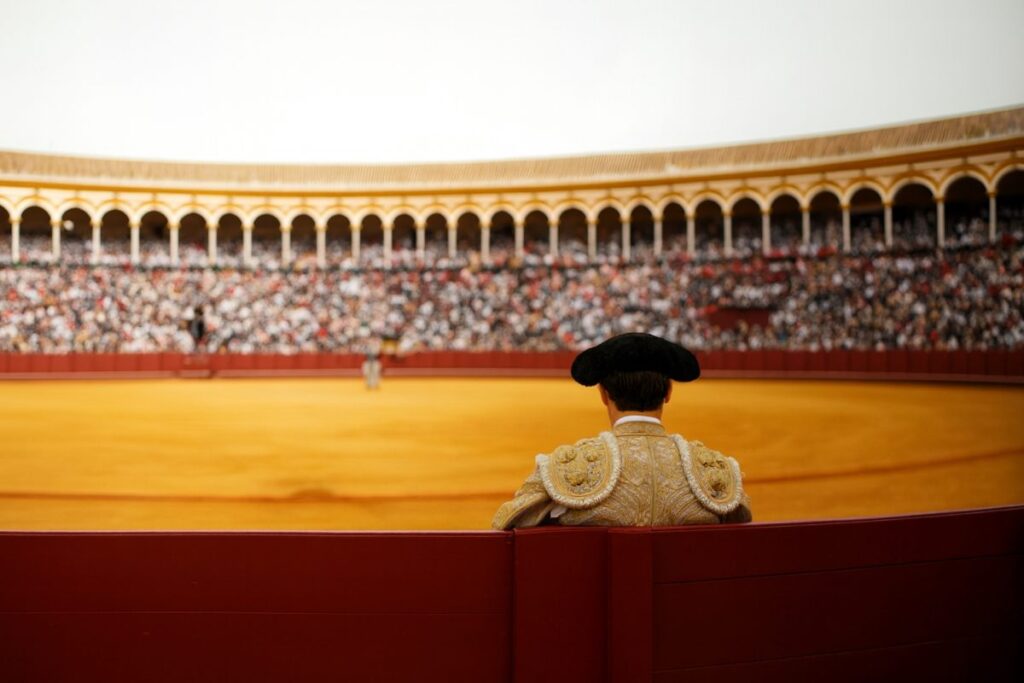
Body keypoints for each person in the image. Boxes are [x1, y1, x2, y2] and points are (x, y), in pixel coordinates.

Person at [492, 333, 752, 529]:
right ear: (669, 393)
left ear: (604, 394)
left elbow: (504, 525)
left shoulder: (566, 469)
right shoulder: (718, 475)